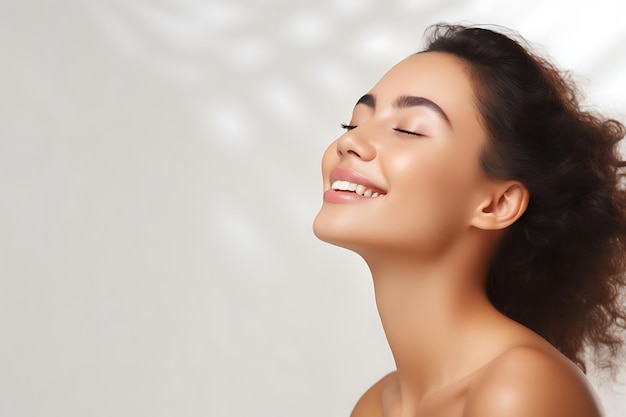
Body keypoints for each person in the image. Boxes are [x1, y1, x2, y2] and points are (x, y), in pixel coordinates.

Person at [313, 23, 626, 417]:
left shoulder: (521, 390)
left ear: (497, 204)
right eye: (354, 123)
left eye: (408, 129)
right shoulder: (375, 406)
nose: (349, 142)